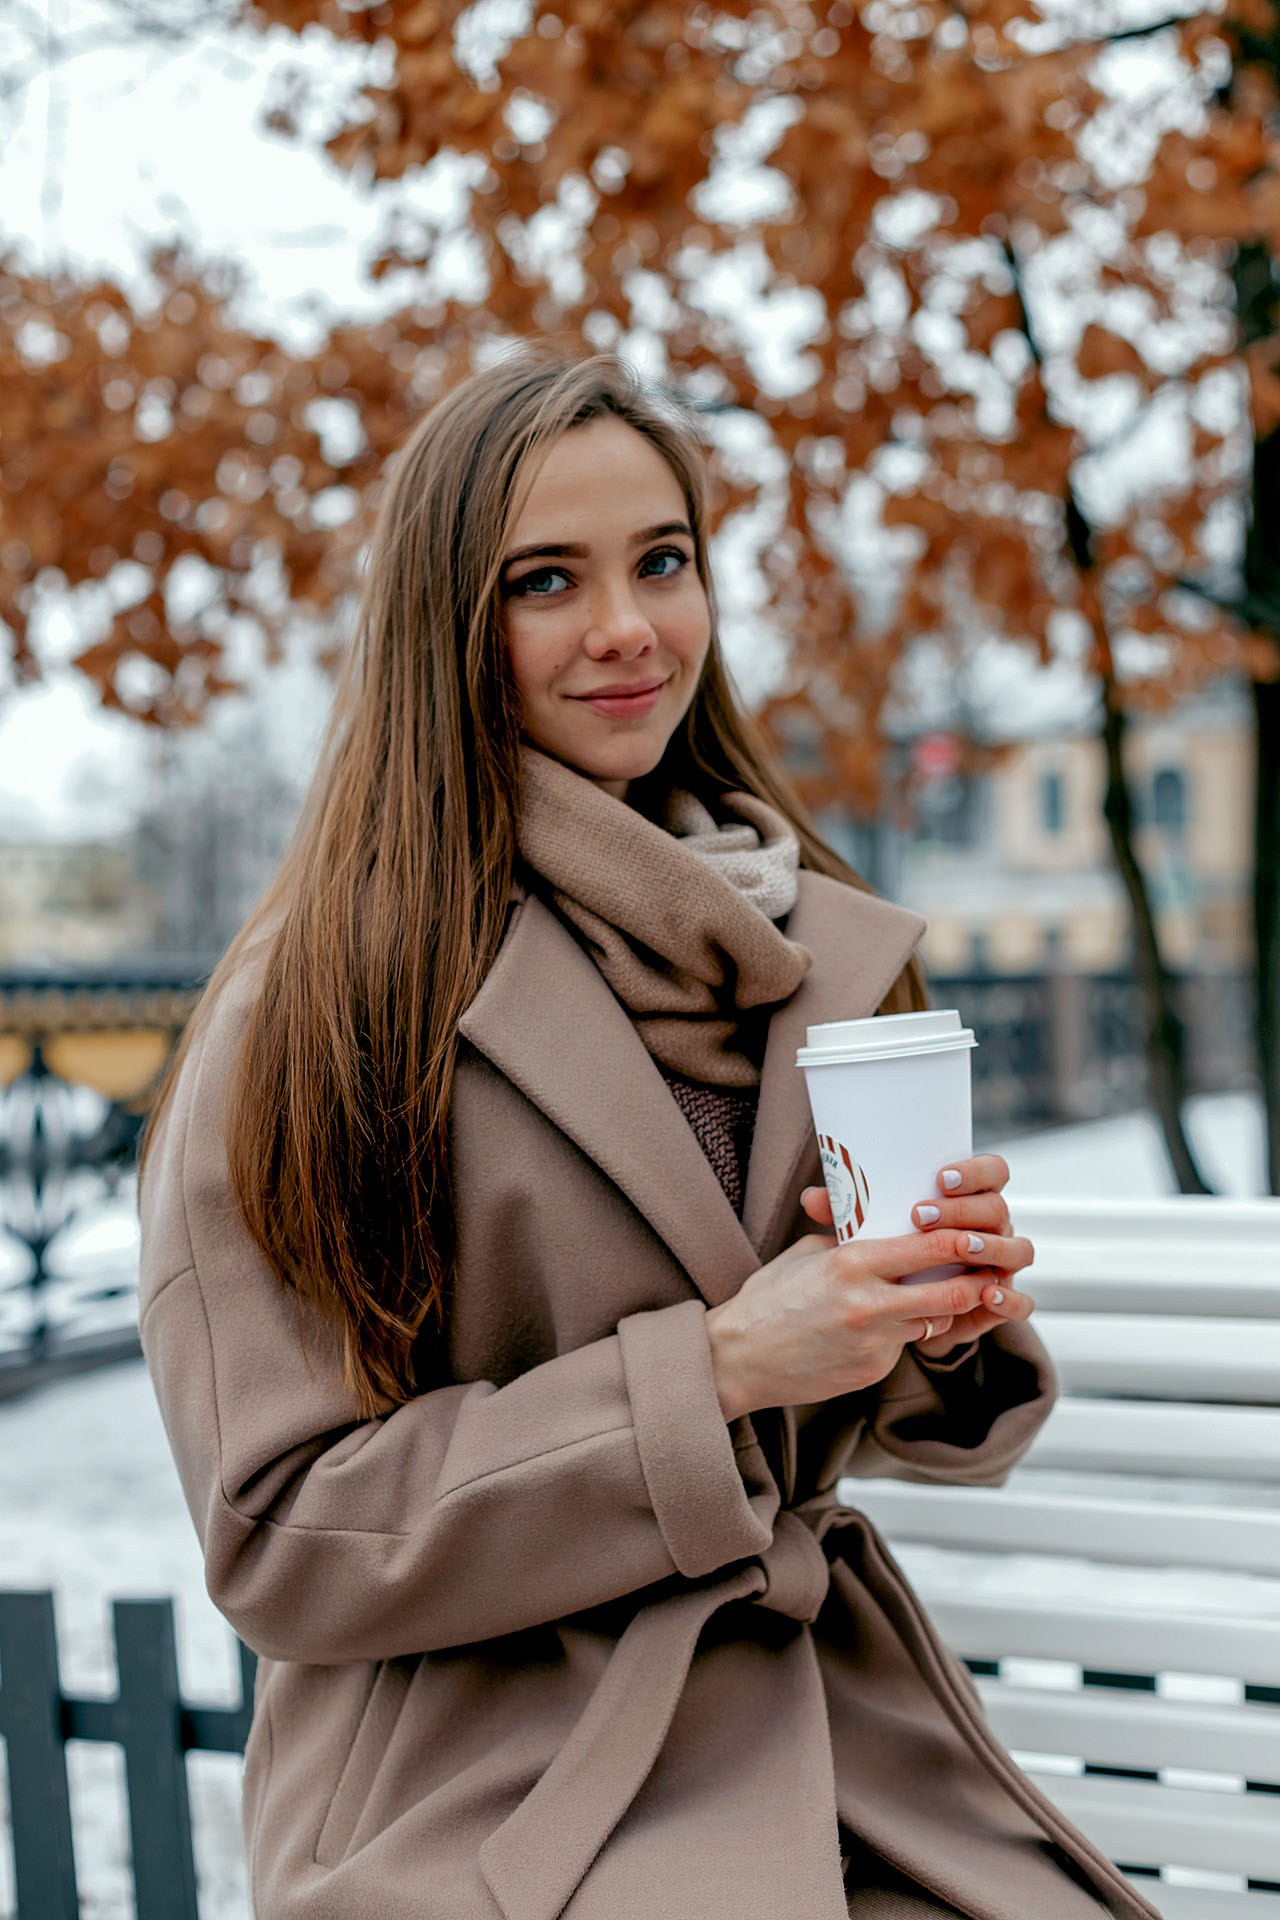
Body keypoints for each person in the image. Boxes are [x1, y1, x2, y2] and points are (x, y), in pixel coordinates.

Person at [137, 349, 1159, 1920]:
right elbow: (287, 1532)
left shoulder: (827, 950)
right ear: (445, 629)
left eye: (662, 561)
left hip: (831, 1729)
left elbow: (880, 1418)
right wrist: (723, 1369)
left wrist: (926, 1321)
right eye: (547, 580)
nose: (628, 629)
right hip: (489, 1778)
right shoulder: (325, 1003)